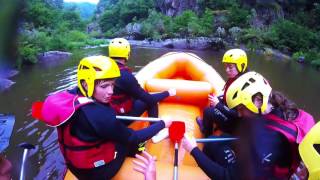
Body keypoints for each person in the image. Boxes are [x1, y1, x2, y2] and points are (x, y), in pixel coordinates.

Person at [34, 56, 172, 179]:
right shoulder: (100, 116)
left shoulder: (73, 96)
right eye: (104, 86)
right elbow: (133, 137)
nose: (110, 92)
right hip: (98, 173)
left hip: (75, 167)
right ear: (86, 84)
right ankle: (139, 152)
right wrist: (162, 124)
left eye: (112, 85)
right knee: (132, 143)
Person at [182, 71, 298, 179]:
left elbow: (226, 176)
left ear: (257, 101)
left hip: (262, 171)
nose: (239, 113)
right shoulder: (276, 109)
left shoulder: (263, 140)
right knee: (217, 140)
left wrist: (193, 150)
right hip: (268, 160)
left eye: (241, 108)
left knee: (212, 145)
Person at [108, 38, 176, 124]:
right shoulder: (126, 76)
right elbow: (149, 99)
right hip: (121, 118)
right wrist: (168, 93)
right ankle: (154, 130)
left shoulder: (104, 70)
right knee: (151, 102)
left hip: (109, 113)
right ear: (127, 54)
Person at [197, 48, 248, 137]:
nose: (227, 70)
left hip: (235, 125)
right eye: (226, 66)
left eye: (230, 67)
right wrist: (219, 101)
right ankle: (211, 124)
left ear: (241, 66)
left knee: (208, 111)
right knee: (214, 103)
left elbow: (238, 115)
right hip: (231, 114)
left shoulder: (245, 87)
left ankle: (206, 133)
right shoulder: (237, 78)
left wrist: (218, 105)